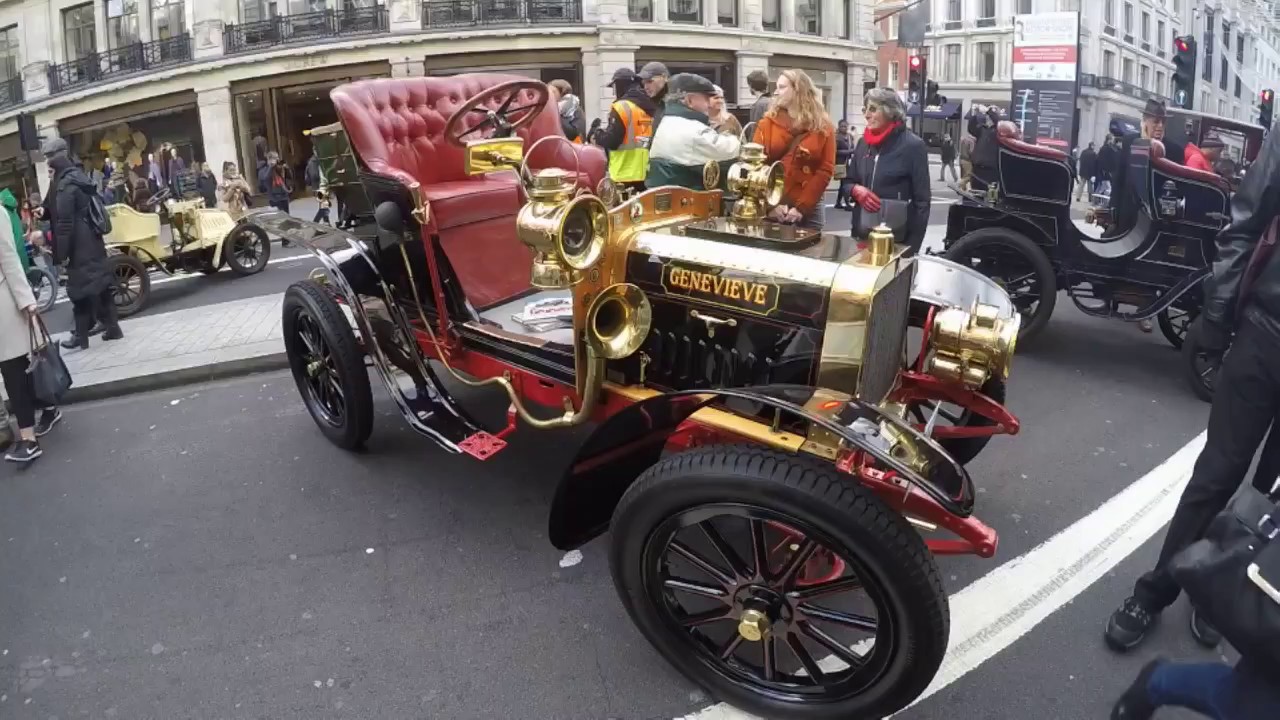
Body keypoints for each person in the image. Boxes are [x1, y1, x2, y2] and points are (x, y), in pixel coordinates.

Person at [1104, 124, 1280, 655]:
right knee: (1216, 476)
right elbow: (1247, 221)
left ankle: (1222, 592)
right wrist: (1219, 315)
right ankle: (1155, 591)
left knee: (1270, 496)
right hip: (1268, 331)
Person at [41, 138, 123, 351]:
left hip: (79, 245)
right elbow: (55, 207)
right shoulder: (75, 176)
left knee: (78, 292)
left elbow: (65, 223)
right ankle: (112, 328)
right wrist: (45, 210)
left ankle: (81, 336)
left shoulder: (65, 184)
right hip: (92, 240)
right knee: (100, 286)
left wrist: (62, 254)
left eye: (49, 157)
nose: (47, 162)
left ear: (57, 157)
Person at [0, 189, 60, 463]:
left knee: (14, 370)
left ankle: (28, 439)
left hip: (6, 303)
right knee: (23, 367)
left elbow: (8, 259)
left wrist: (26, 301)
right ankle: (47, 408)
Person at [845, 87, 931, 253]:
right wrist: (855, 190)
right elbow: (848, 183)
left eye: (873, 109)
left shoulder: (913, 146)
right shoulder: (863, 144)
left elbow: (922, 202)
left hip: (897, 242)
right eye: (865, 109)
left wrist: (911, 249)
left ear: (891, 111)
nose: (866, 115)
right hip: (861, 237)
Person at [752, 69, 836, 230]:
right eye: (776, 87)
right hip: (773, 201)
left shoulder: (823, 126)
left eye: (782, 87)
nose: (776, 92)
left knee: (812, 245)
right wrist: (770, 205)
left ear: (798, 89)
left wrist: (802, 207)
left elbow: (825, 169)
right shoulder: (767, 123)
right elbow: (756, 166)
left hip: (809, 204)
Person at [645, 74, 741, 190]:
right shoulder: (691, 130)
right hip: (686, 197)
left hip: (668, 193)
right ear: (689, 100)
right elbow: (730, 150)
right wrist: (734, 138)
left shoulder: (668, 121)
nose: (709, 105)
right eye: (706, 99)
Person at [597, 68, 658, 194]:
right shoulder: (652, 105)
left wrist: (597, 135)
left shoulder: (622, 107)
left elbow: (612, 141)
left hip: (624, 173)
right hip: (648, 172)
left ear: (620, 84)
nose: (614, 92)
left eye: (614, 87)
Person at [968, 105, 1002, 190]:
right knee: (975, 190)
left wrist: (989, 111)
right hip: (977, 167)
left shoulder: (998, 132)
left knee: (989, 192)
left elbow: (996, 121)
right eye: (987, 117)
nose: (987, 118)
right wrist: (975, 114)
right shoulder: (982, 129)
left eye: (989, 117)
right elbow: (971, 129)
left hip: (991, 169)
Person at [0, 190, 30, 275]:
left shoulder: (4, 213)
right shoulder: (13, 211)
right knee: (24, 271)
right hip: (20, 246)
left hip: (12, 248)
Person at [638, 62, 670, 128]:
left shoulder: (676, 103)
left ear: (665, 77)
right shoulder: (644, 104)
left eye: (650, 81)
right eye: (643, 83)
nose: (646, 87)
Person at [835, 119, 854, 210]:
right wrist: (849, 151)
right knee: (845, 183)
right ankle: (847, 203)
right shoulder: (837, 137)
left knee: (844, 183)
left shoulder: (850, 136)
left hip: (848, 163)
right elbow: (835, 151)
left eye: (845, 126)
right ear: (839, 127)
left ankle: (838, 202)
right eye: (842, 126)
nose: (844, 128)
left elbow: (852, 147)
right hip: (841, 163)